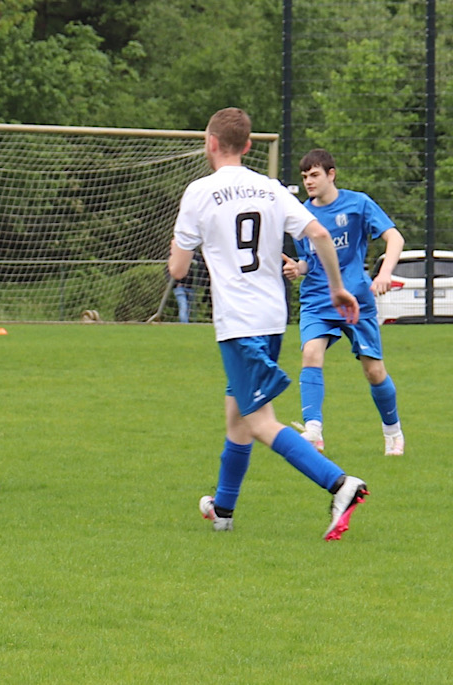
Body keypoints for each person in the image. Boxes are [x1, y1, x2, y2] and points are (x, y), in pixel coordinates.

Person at [168, 108, 367, 540]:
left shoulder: (199, 192)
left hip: (239, 324)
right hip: (273, 319)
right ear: (250, 145)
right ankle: (223, 509)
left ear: (212, 143)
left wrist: (185, 247)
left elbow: (179, 269)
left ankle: (339, 484)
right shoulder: (271, 188)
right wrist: (336, 287)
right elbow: (317, 234)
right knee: (237, 415)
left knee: (259, 422)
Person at [283, 148, 406, 456]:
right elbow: (309, 260)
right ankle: (313, 430)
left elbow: (396, 238)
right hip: (316, 298)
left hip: (356, 299)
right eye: (304, 177)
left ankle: (393, 432)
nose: (309, 182)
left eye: (314, 175)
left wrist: (385, 273)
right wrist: (297, 269)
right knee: (311, 352)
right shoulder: (301, 213)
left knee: (373, 371)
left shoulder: (358, 204)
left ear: (331, 174)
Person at [173, 252, 208, 323]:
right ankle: (184, 324)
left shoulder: (197, 257)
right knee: (183, 306)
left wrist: (199, 283)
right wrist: (176, 284)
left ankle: (186, 323)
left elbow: (202, 270)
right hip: (180, 287)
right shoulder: (177, 255)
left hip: (191, 287)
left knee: (188, 308)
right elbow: (169, 271)